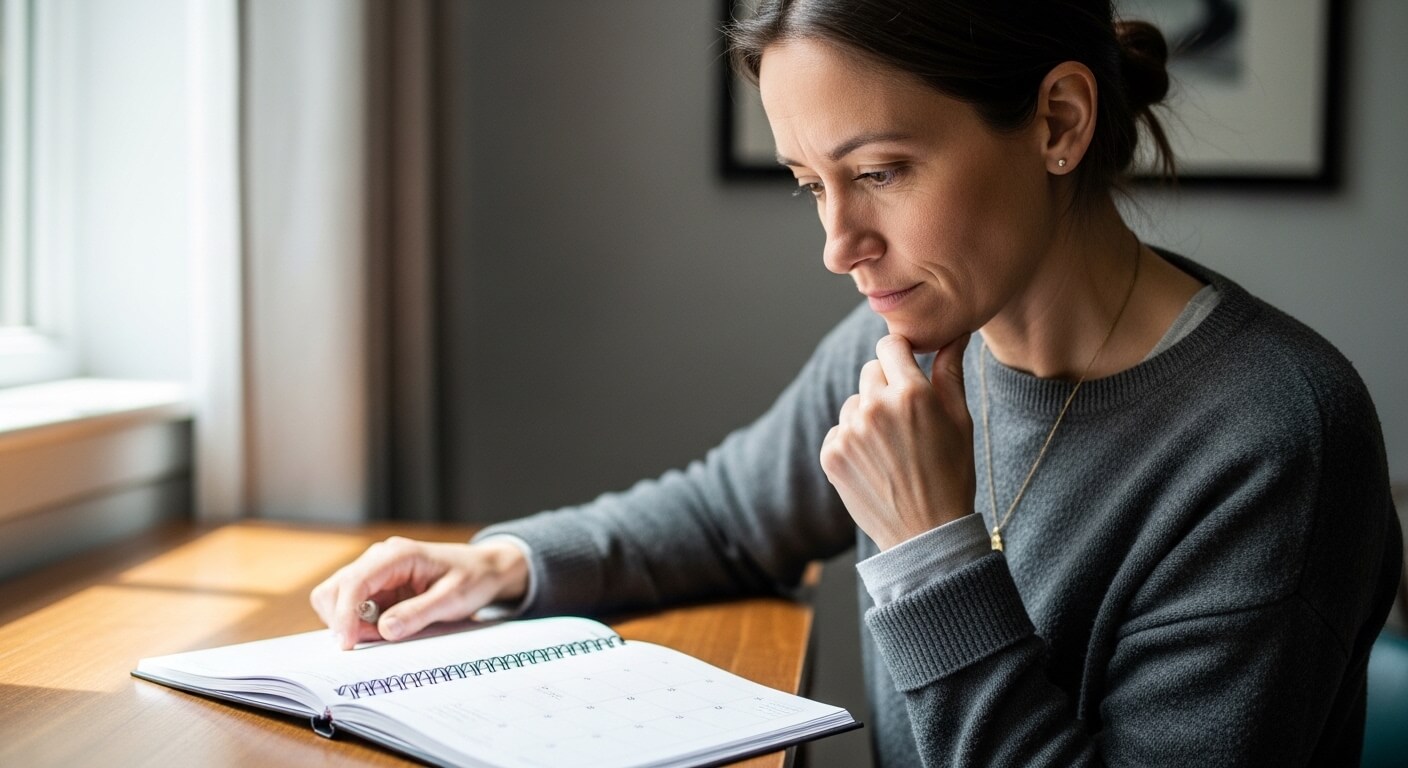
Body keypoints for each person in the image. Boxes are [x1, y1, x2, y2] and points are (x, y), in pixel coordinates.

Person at [311, 1, 1404, 764]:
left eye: (880, 172)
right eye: (808, 184)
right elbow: (733, 514)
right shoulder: (914, 336)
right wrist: (499, 563)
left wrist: (932, 549)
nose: (839, 245)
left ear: (1059, 122)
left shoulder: (1274, 437)